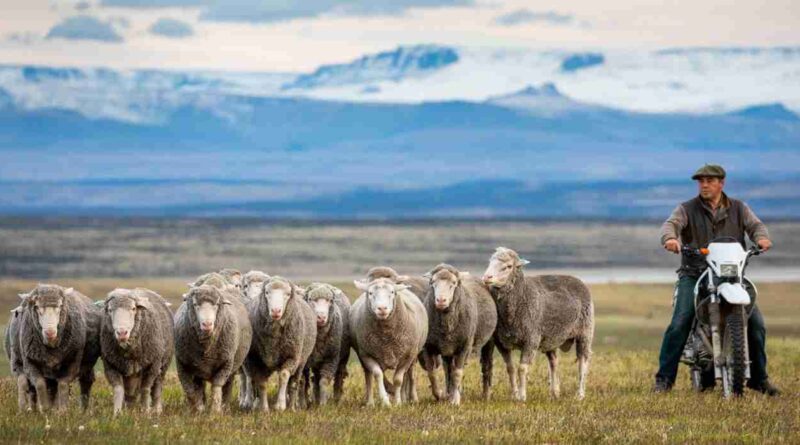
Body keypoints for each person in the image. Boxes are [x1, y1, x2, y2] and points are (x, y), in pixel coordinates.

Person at [653, 164, 780, 395]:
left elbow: (756, 226)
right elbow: (670, 225)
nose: (704, 185)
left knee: (757, 324)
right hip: (695, 274)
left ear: (722, 183)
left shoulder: (739, 208)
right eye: (700, 181)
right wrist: (670, 238)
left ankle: (759, 379)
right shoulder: (687, 209)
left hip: (732, 276)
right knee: (680, 322)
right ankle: (664, 380)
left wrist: (762, 238)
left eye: (709, 181)